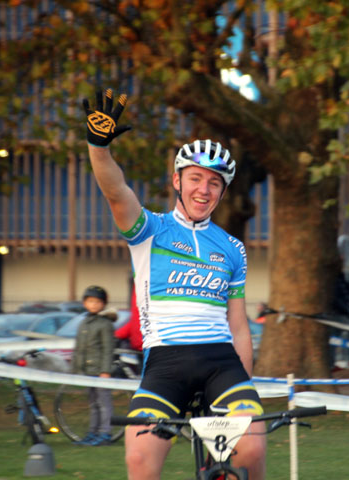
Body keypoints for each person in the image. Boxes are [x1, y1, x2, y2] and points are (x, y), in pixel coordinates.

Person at [83, 89, 266, 479]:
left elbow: (238, 325)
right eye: (196, 178)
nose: (204, 189)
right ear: (177, 181)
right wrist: (99, 149)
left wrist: (246, 391)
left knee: (251, 446)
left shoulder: (233, 248)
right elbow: (115, 191)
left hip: (222, 365)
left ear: (222, 191)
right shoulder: (150, 229)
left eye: (214, 183)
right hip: (166, 365)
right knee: (138, 459)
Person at [70, 285, 115, 446]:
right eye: (90, 301)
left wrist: (105, 370)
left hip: (99, 371)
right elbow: (79, 349)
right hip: (86, 371)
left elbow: (108, 349)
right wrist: (75, 369)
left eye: (97, 302)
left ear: (103, 304)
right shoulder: (84, 323)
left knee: (104, 403)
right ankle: (93, 431)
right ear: (84, 303)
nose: (94, 304)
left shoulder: (105, 324)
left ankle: (105, 432)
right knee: (93, 404)